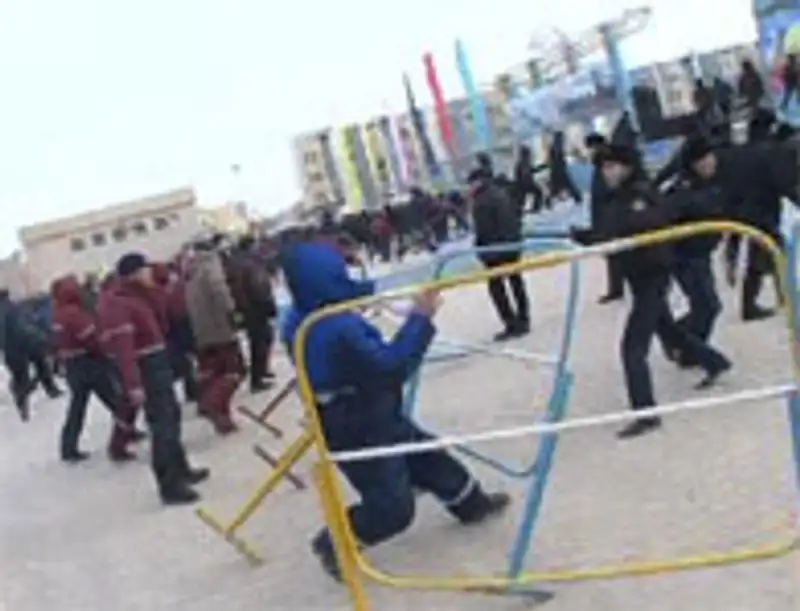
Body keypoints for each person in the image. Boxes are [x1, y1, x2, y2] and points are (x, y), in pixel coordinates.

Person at [279, 239, 510, 580]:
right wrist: (420, 319)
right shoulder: (334, 326)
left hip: (363, 410)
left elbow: (347, 297)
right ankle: (334, 542)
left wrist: (382, 298)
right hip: (355, 423)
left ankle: (470, 503)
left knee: (428, 455)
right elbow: (390, 368)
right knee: (393, 507)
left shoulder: (302, 314)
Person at [599, 144, 731, 439]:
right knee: (669, 332)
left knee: (633, 348)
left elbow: (650, 222)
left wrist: (620, 234)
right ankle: (715, 361)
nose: (607, 172)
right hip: (639, 276)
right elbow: (614, 231)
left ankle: (646, 414)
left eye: (612, 166)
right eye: (604, 167)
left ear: (627, 166)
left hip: (651, 277)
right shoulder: (620, 197)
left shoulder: (640, 194)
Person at [98, 253, 209, 505]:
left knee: (172, 416)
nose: (150, 273)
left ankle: (182, 469)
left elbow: (165, 310)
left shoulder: (139, 296)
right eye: (146, 270)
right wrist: (133, 384)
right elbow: (124, 346)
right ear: (134, 274)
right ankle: (169, 485)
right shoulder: (119, 303)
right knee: (162, 426)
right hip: (145, 367)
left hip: (158, 361)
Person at [682, 136, 796, 321]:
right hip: (752, 209)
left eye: (704, 166)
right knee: (768, 253)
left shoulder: (738, 163)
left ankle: (778, 298)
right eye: (699, 169)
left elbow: (782, 186)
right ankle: (765, 302)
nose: (703, 172)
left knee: (770, 252)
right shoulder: (720, 168)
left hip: (761, 203)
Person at [51, 275, 140, 463]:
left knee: (77, 408)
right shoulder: (75, 314)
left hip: (72, 366)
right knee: (114, 398)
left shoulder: (57, 313)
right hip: (89, 362)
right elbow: (91, 339)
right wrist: (105, 352)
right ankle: (126, 432)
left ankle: (68, 447)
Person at [185, 239, 245, 435]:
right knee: (235, 371)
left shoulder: (190, 271)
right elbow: (220, 291)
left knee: (215, 373)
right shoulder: (210, 266)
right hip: (220, 328)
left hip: (202, 331)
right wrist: (232, 311)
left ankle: (223, 418)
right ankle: (212, 404)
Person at [468, 167, 531, 341]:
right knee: (516, 282)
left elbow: (484, 230)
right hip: (512, 245)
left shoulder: (481, 201)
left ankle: (511, 323)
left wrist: (482, 252)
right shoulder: (501, 192)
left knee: (496, 287)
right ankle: (524, 319)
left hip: (495, 250)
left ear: (477, 182)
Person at [1, 290, 62, 420]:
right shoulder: (13, 308)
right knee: (39, 366)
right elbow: (24, 326)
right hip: (25, 344)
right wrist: (42, 337)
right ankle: (46, 390)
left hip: (11, 349)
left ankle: (23, 399)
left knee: (22, 375)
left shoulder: (13, 308)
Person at [229, 236, 278, 392]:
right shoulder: (250, 263)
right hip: (256, 309)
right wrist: (269, 305)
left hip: (246, 309)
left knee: (261, 340)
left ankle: (261, 372)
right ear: (251, 246)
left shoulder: (236, 261)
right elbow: (258, 287)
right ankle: (257, 379)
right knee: (260, 342)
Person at [585, 132, 624, 304]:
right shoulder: (601, 164)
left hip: (608, 216)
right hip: (606, 215)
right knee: (613, 254)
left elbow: (607, 193)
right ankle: (617, 288)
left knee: (613, 254)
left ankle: (616, 289)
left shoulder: (605, 164)